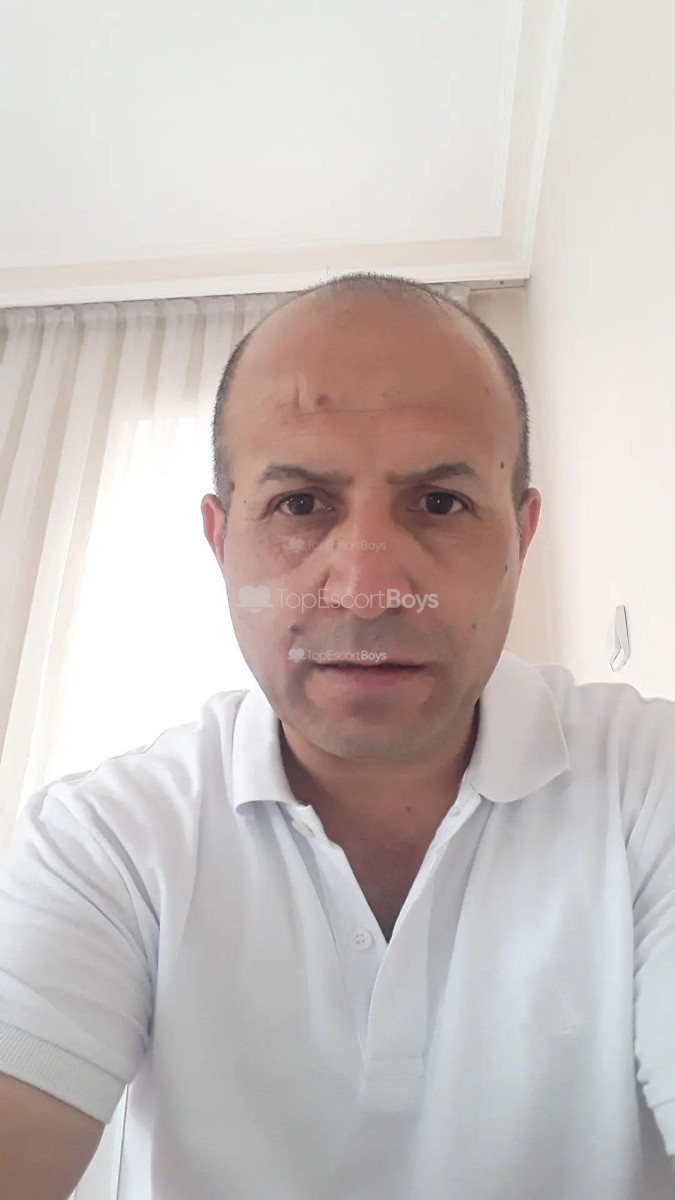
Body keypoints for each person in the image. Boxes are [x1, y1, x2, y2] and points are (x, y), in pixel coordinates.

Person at [1, 272, 674, 1200]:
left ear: (519, 538)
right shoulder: (106, 841)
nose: (365, 591)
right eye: (299, 505)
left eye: (439, 503)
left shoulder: (648, 782)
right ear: (220, 540)